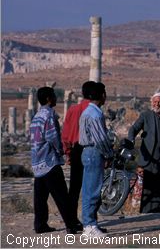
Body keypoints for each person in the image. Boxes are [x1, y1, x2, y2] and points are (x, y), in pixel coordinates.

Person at [30, 86, 78, 234]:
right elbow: (53, 137)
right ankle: (71, 224)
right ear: (49, 99)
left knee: (40, 198)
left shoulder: (36, 116)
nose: (56, 98)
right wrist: (62, 150)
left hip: (37, 163)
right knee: (62, 195)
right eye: (54, 96)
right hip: (49, 161)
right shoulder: (49, 115)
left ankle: (40, 225)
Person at [79, 82, 113, 237]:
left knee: (88, 189)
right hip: (94, 152)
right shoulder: (95, 114)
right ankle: (90, 225)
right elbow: (101, 139)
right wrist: (109, 154)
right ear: (99, 95)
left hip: (87, 152)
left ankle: (90, 223)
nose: (105, 96)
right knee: (93, 190)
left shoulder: (87, 111)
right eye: (103, 93)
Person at [61, 81, 95, 232]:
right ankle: (91, 223)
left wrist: (68, 153)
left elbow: (66, 135)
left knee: (74, 189)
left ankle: (71, 223)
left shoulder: (72, 110)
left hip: (75, 150)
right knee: (91, 187)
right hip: (89, 150)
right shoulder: (93, 109)